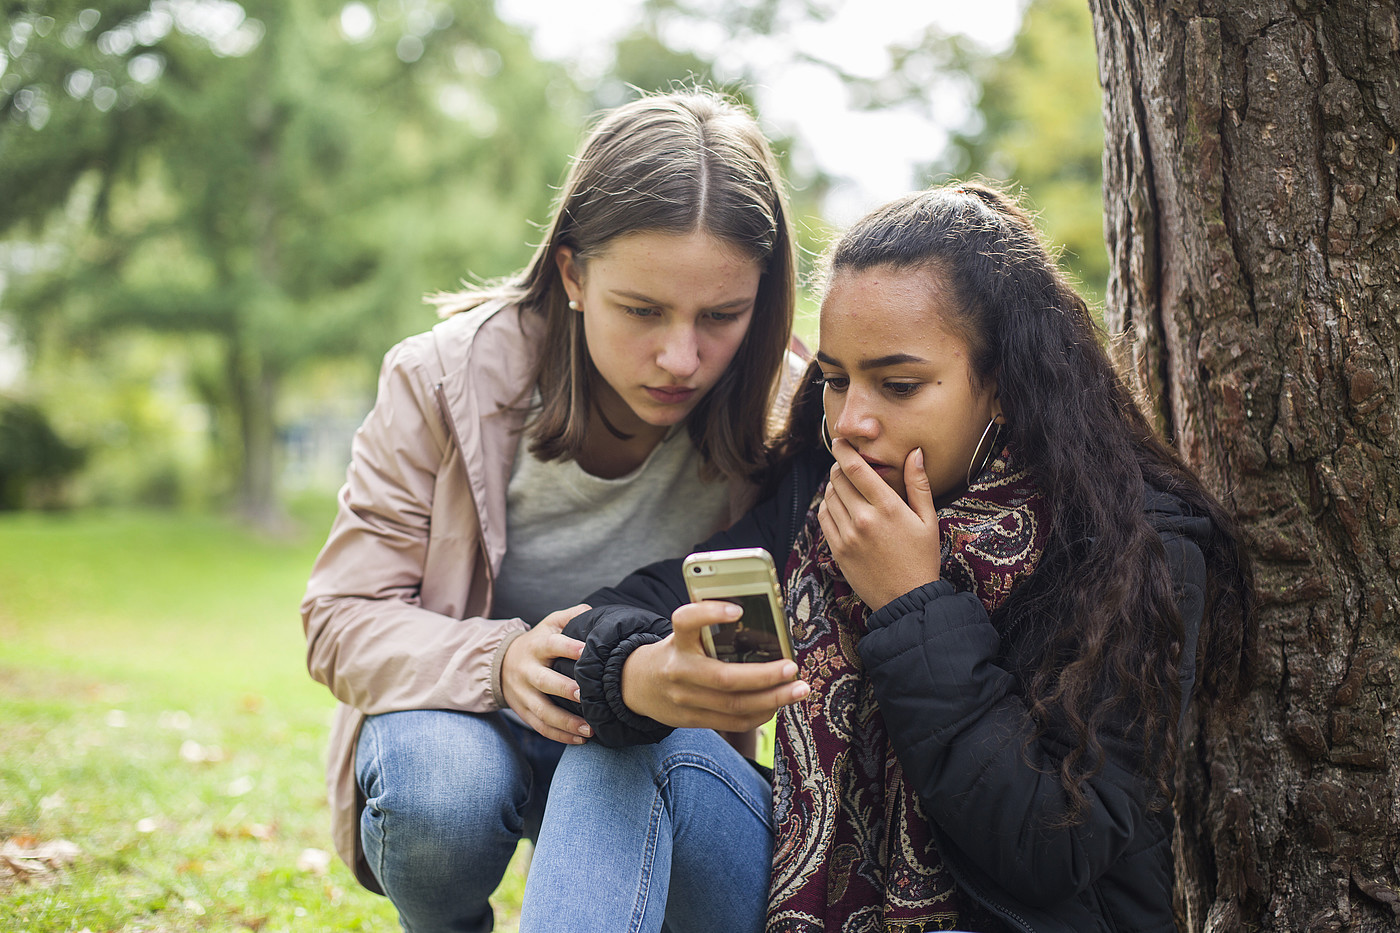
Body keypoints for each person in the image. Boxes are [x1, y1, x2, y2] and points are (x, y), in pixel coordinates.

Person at [517, 182, 1256, 932]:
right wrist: (640, 671)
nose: (852, 421)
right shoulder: (827, 494)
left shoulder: (1135, 540)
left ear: (1001, 385)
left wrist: (913, 603)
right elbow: (617, 611)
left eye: (898, 384)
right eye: (836, 379)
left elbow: (1054, 847)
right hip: (810, 901)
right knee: (619, 755)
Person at [300, 87, 799, 933]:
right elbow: (338, 617)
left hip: (645, 745)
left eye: (722, 315)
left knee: (636, 753)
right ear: (572, 272)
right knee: (437, 787)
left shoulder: (785, 413)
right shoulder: (439, 380)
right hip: (465, 721)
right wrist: (500, 660)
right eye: (642, 310)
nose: (682, 357)